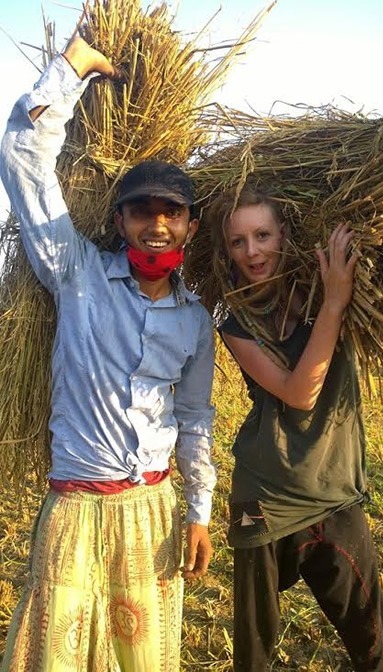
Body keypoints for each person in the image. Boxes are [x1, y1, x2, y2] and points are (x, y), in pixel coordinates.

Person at [0, 37, 216, 672]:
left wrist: (198, 512)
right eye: (141, 212)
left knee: (139, 661)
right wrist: (74, 68)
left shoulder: (196, 321)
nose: (157, 225)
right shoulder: (77, 275)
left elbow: (196, 419)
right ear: (120, 223)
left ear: (190, 226)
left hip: (153, 511)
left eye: (171, 213)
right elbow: (22, 156)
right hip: (75, 507)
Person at [215, 187, 383, 671]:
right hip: (266, 495)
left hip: (332, 487)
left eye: (262, 235)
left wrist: (336, 295)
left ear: (286, 234)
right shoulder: (236, 324)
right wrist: (334, 305)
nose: (251, 251)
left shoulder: (334, 288)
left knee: (373, 637)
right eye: (238, 241)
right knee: (255, 646)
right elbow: (300, 393)